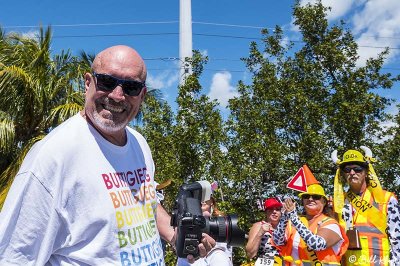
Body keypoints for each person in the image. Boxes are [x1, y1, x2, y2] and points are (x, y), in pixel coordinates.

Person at [0, 45, 215, 265]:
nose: (117, 95)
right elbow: (15, 257)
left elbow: (144, 201)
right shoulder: (54, 156)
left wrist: (174, 235)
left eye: (130, 87)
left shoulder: (138, 143)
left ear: (142, 95)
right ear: (87, 83)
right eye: (106, 82)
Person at [331, 147, 400, 266]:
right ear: (342, 174)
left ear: (366, 172)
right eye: (347, 170)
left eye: (357, 169)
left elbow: (397, 239)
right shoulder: (338, 202)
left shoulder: (387, 199)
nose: (352, 173)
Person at [273, 168, 349, 266]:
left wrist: (293, 217)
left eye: (316, 197)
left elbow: (317, 244)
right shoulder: (294, 222)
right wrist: (284, 217)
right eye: (306, 196)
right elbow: (277, 241)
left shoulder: (331, 224)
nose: (310, 199)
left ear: (324, 202)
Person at [177, 196, 233, 266]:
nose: (202, 199)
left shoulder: (223, 220)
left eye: (206, 196)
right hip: (191, 258)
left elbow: (227, 251)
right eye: (198, 196)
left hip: (216, 257)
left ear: (212, 201)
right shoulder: (182, 219)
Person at [245, 197, 283, 265]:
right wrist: (261, 232)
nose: (274, 212)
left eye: (277, 209)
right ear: (266, 212)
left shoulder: (287, 227)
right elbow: (250, 254)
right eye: (271, 209)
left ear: (281, 212)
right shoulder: (258, 226)